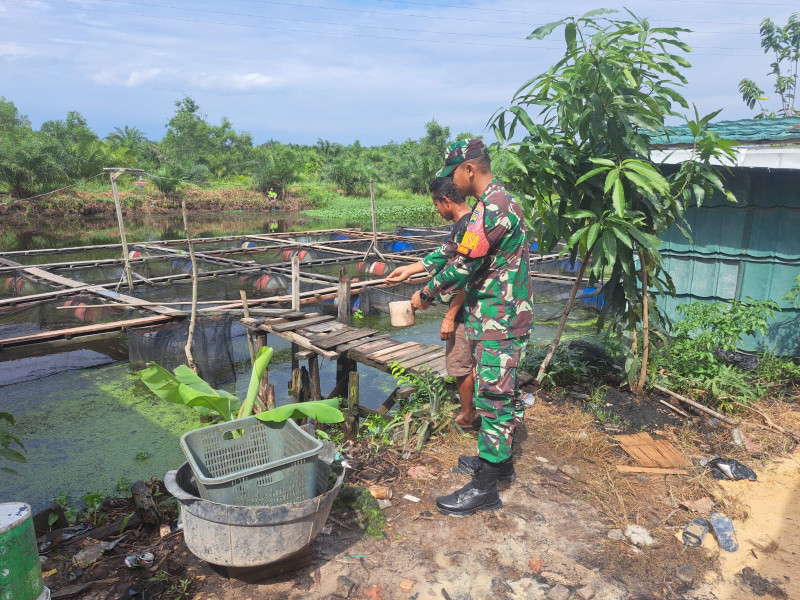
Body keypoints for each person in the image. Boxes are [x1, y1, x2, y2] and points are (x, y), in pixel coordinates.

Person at [410, 138, 533, 517]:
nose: (451, 185)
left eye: (453, 175)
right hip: (491, 317)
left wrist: (425, 294)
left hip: (501, 318)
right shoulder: (489, 206)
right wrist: (417, 266)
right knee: (494, 394)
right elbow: (455, 251)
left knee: (494, 400)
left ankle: (485, 491)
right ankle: (498, 464)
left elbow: (463, 267)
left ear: (469, 170)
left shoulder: (496, 208)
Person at [386, 178, 477, 430]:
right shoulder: (465, 224)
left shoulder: (468, 226)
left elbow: (465, 275)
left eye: (436, 204)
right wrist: (409, 269)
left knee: (461, 364)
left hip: (467, 311)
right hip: (467, 310)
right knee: (468, 364)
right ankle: (470, 411)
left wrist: (437, 304)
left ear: (446, 201)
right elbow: (445, 253)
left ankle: (468, 416)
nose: (437, 211)